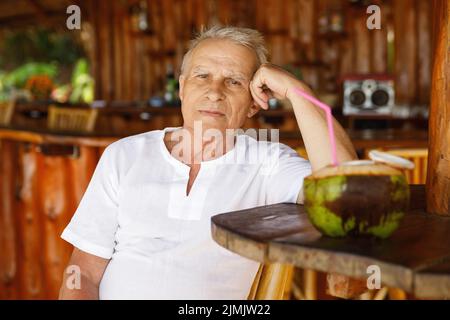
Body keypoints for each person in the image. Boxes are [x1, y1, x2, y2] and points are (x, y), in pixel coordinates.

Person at [59, 26, 357, 300]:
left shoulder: (267, 163)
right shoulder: (124, 155)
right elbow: (83, 273)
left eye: (234, 81)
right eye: (202, 76)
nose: (215, 92)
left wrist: (297, 91)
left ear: (255, 103)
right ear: (182, 88)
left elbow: (346, 192)